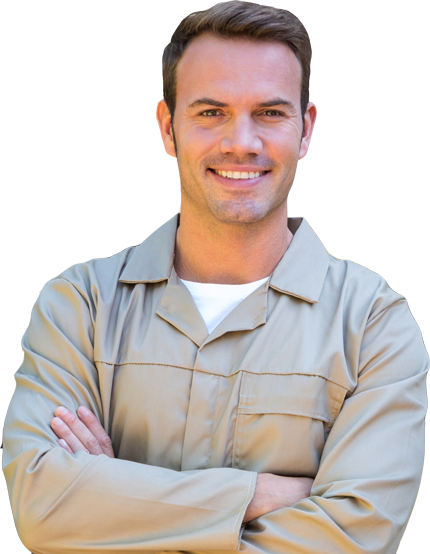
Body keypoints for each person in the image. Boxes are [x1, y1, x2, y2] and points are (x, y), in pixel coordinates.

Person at [2, 1, 428, 553]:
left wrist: (112, 504)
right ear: (168, 127)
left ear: (305, 129)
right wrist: (256, 495)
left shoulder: (375, 327)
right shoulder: (80, 307)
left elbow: (352, 539)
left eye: (270, 112)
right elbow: (43, 506)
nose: (241, 142)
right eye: (210, 112)